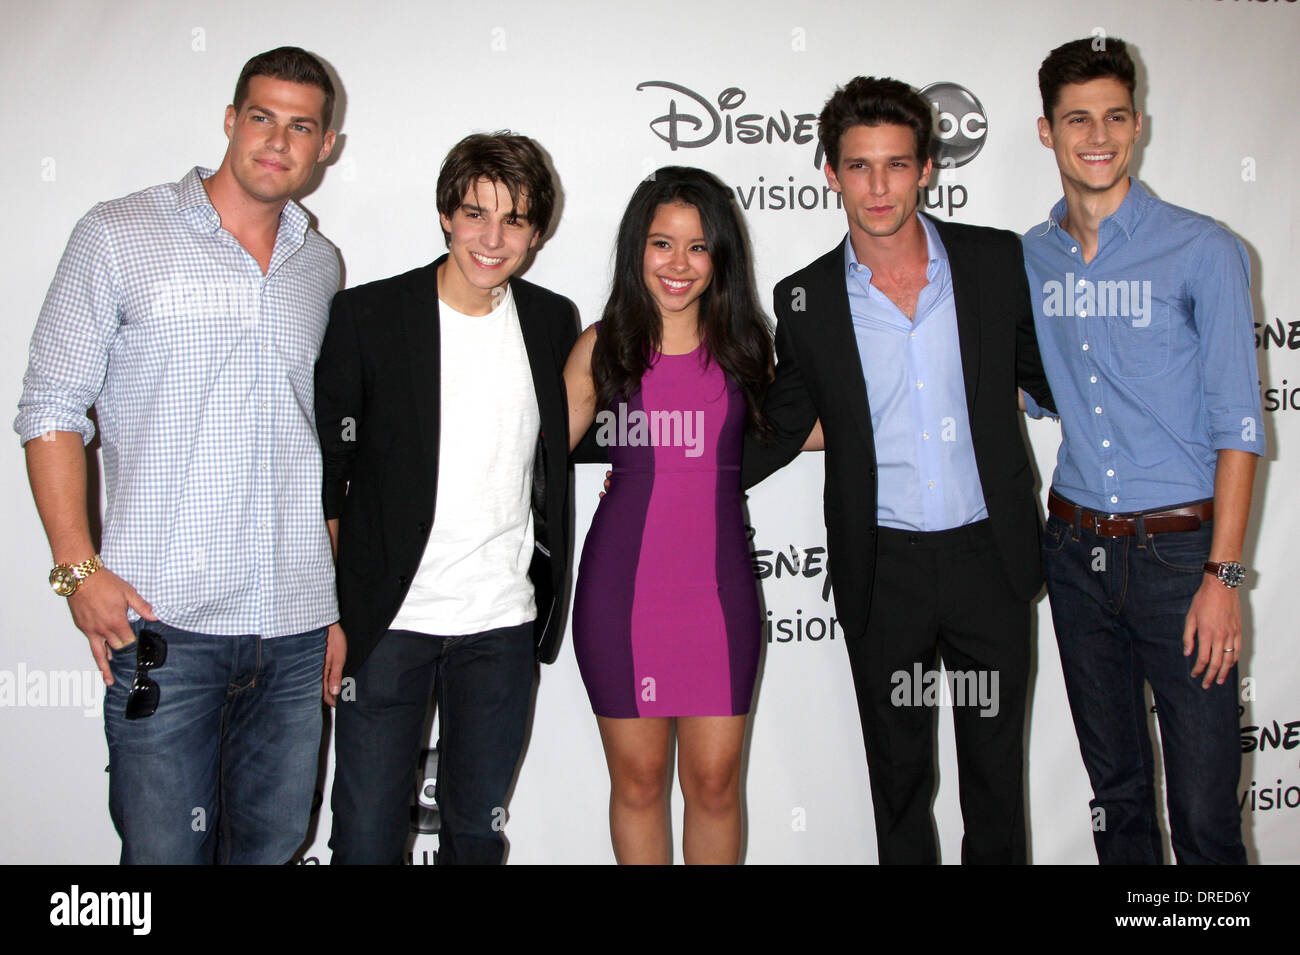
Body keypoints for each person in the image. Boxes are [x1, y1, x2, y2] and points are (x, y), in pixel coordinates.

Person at [15, 47, 342, 864]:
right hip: (169, 626)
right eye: (262, 117)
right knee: (162, 859)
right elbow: (49, 409)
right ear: (231, 122)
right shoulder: (119, 234)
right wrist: (75, 569)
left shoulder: (321, 265)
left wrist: (333, 605)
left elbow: (318, 448)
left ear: (326, 145)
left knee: (270, 850)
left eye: (300, 126)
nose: (278, 141)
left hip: (298, 632)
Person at [741, 77, 1056, 864]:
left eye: (895, 164)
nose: (877, 187)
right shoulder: (806, 297)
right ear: (830, 173)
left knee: (995, 780)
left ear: (925, 169)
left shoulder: (992, 262)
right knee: (900, 782)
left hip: (991, 557)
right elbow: (777, 427)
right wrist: (649, 461)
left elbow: (1055, 375)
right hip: (884, 571)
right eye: (858, 166)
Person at [1022, 38, 1263, 864]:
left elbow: (1240, 427)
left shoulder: (1206, 250)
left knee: (1204, 815)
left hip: (1182, 560)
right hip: (1073, 551)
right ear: (1046, 132)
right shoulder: (1029, 258)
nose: (1099, 135)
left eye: (1115, 116)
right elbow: (1024, 383)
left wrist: (1222, 578)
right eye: (1077, 118)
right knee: (1117, 799)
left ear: (1140, 124)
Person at [316, 131, 577, 865]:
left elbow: (567, 439)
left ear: (537, 232)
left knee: (475, 835)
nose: (492, 239)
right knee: (365, 839)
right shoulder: (369, 317)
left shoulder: (551, 321)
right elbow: (326, 479)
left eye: (515, 221)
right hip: (387, 625)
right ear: (445, 215)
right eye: (475, 214)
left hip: (500, 626)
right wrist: (330, 613)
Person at [565, 166, 780, 864]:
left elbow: (807, 425)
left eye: (697, 246)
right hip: (622, 593)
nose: (678, 264)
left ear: (721, 256)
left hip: (717, 597)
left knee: (716, 784)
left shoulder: (747, 348)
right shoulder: (602, 347)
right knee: (638, 781)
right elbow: (531, 452)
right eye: (662, 243)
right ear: (637, 249)